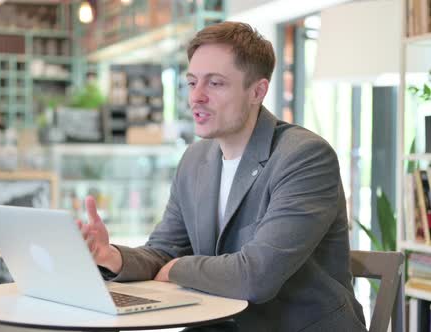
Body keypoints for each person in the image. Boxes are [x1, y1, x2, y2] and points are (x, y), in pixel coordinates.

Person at [78, 21, 367, 332]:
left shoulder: (305, 157)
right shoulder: (195, 159)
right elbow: (164, 250)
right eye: (192, 83)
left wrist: (177, 268)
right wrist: (113, 257)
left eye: (215, 83)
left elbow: (256, 277)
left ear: (257, 91)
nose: (196, 97)